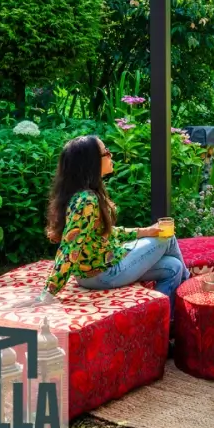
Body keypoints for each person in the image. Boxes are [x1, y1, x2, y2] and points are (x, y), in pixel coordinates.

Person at [38, 135, 189, 320]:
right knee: (168, 237)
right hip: (103, 274)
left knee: (173, 267)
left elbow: (105, 233)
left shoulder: (88, 194)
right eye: (106, 152)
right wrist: (49, 292)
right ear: (91, 162)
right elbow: (70, 248)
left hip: (100, 269)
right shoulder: (86, 200)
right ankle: (190, 290)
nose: (111, 155)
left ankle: (162, 322)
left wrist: (145, 231)